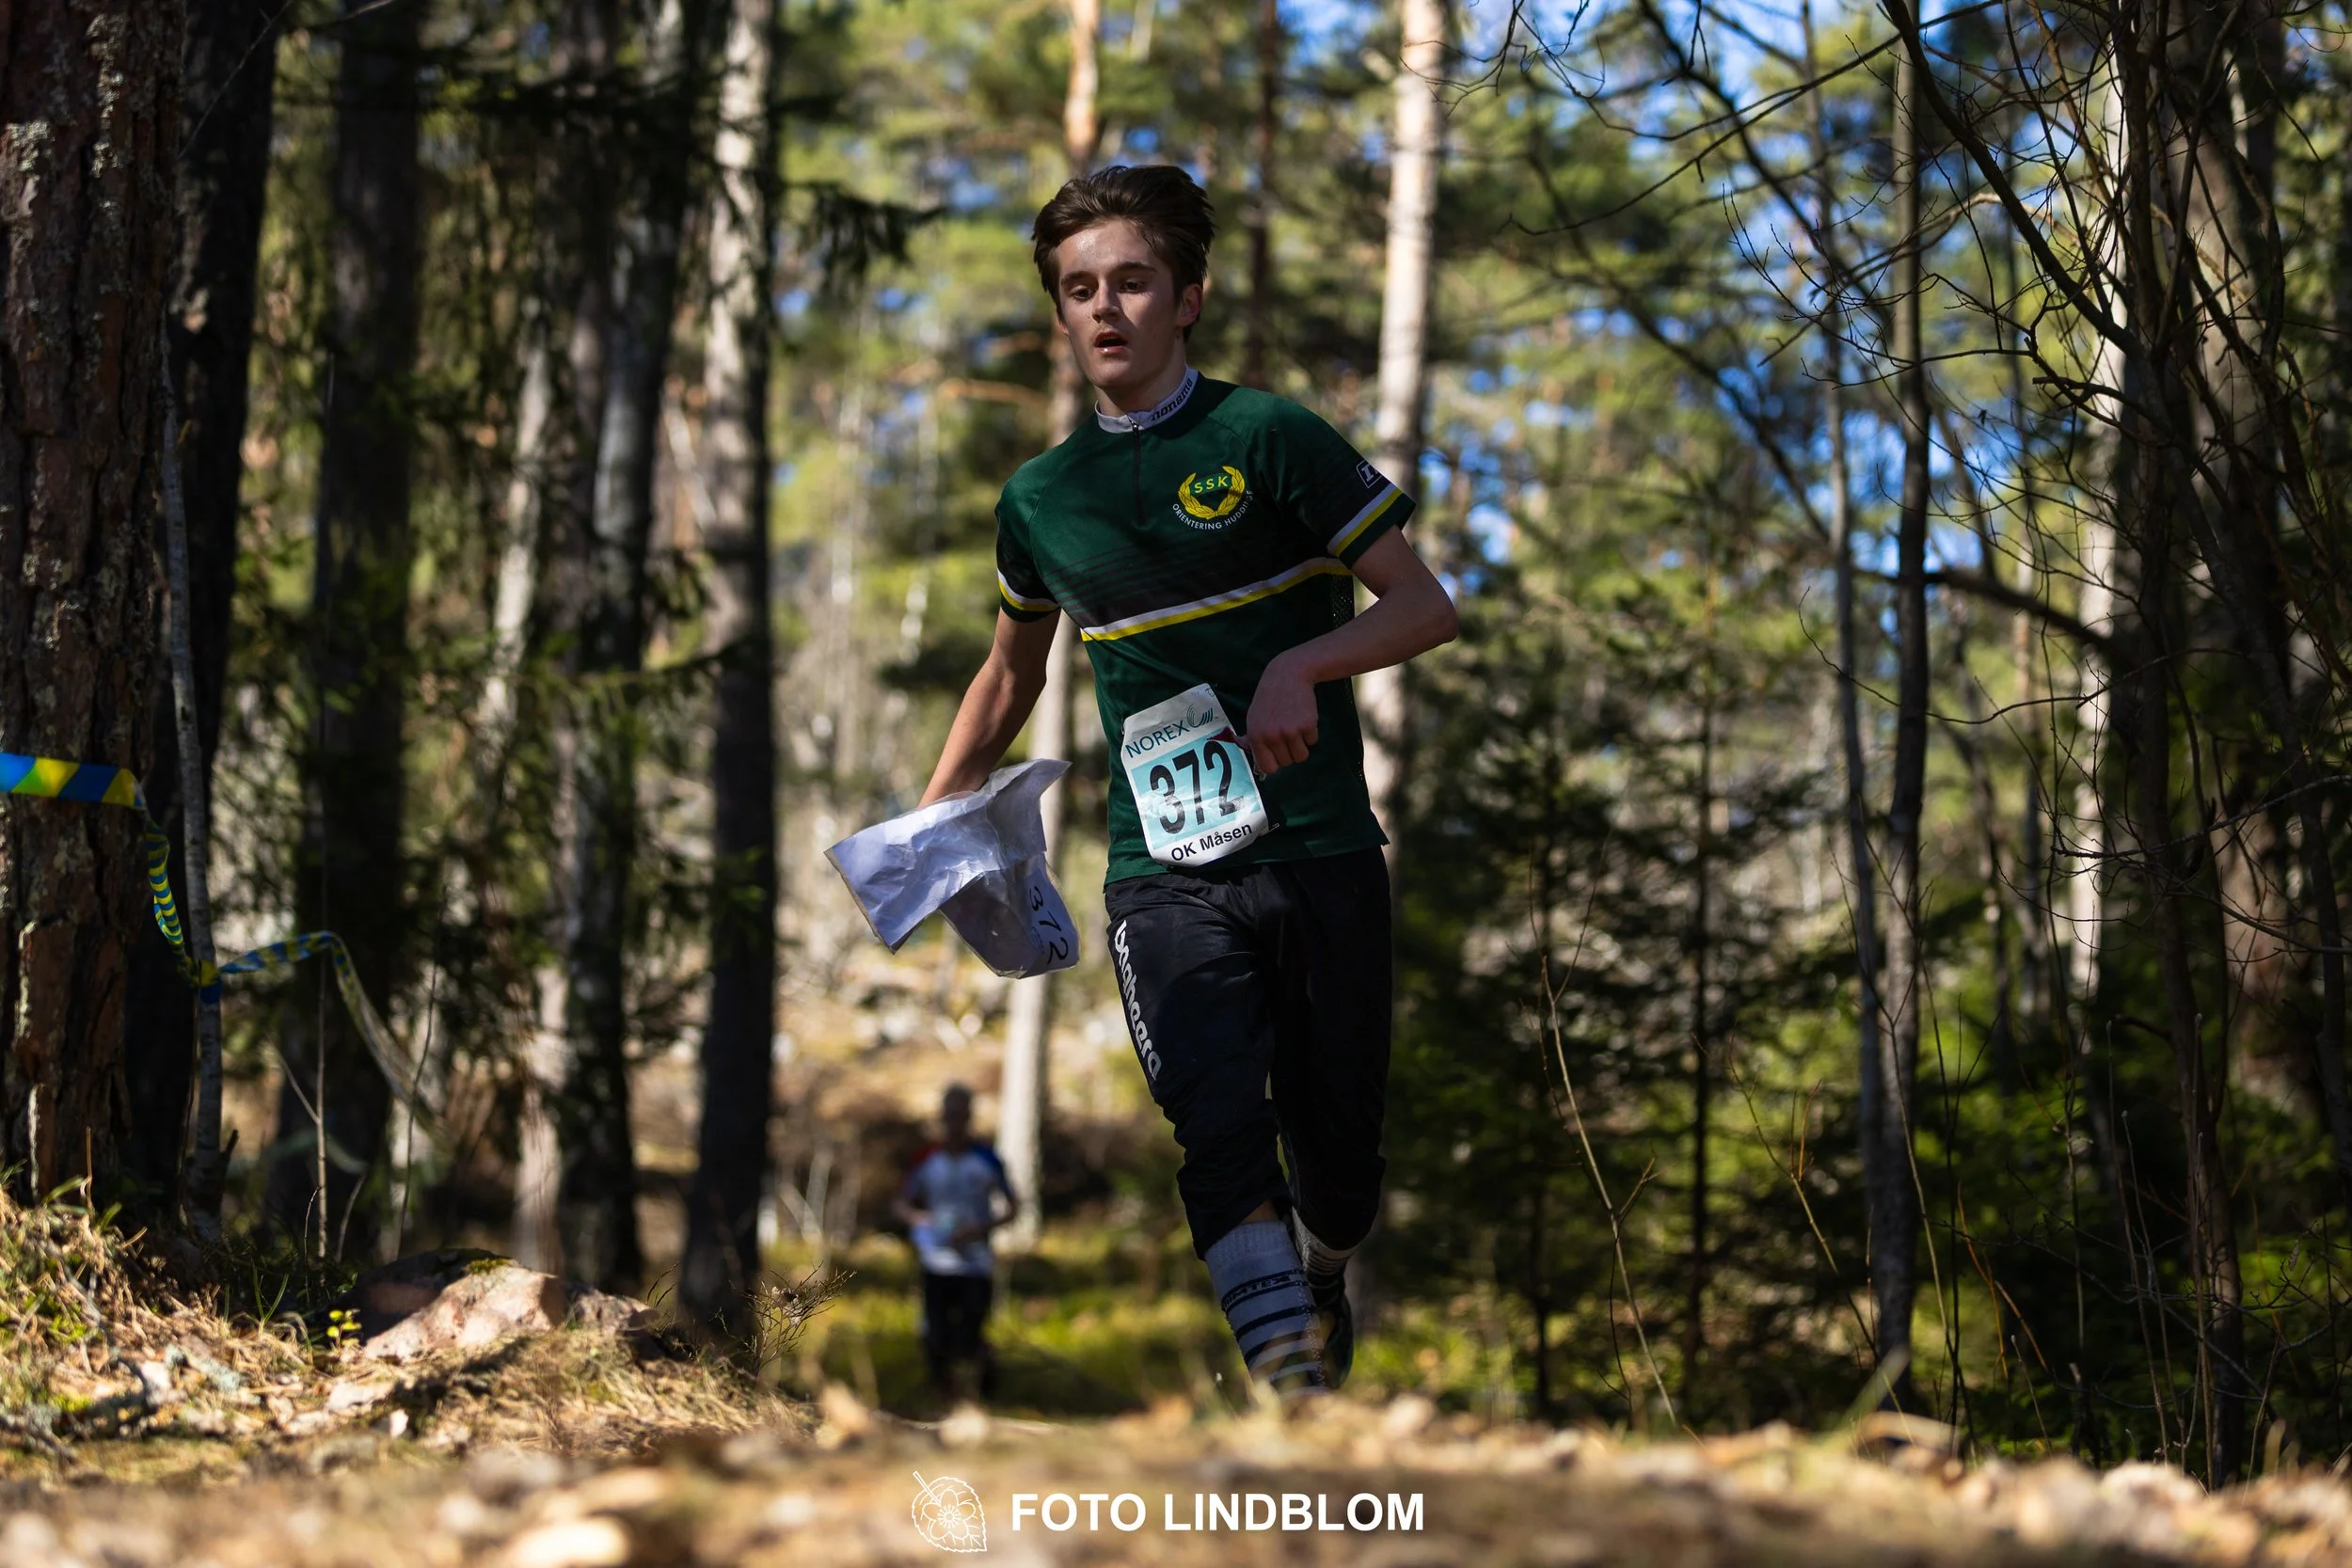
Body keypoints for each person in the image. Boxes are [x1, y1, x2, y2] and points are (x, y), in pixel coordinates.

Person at [918, 165, 1457, 1405]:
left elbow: (1424, 604)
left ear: (1188, 296)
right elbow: (1009, 672)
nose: (1104, 308)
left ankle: (1320, 1268)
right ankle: (1291, 1382)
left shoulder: (1265, 437)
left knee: (1339, 1165)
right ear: (1060, 313)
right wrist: (933, 814)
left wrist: (1299, 663)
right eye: (1078, 289)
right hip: (1166, 873)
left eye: (1132, 281)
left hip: (1317, 848)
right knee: (1216, 1121)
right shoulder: (1041, 501)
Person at [894, 1083, 1016, 1401]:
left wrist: (980, 1228)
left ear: (969, 1117)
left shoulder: (987, 1159)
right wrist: (922, 1220)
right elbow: (902, 1203)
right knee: (935, 1335)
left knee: (970, 1335)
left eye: (961, 1115)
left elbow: (1013, 1206)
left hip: (976, 1263)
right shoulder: (926, 1158)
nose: (954, 1121)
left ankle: (984, 1391)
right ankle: (942, 1397)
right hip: (936, 1261)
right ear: (942, 1116)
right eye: (949, 1114)